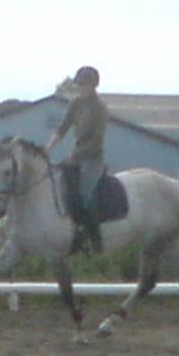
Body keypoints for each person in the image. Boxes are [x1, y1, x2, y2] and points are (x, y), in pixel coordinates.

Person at [46, 66, 107, 252]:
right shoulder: (75, 104)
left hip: (93, 158)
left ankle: (93, 236)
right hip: (76, 155)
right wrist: (48, 148)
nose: (81, 88)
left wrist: (75, 156)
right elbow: (62, 129)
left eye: (84, 85)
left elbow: (97, 140)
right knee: (60, 187)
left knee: (84, 193)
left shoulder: (100, 108)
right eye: (79, 85)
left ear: (93, 85)